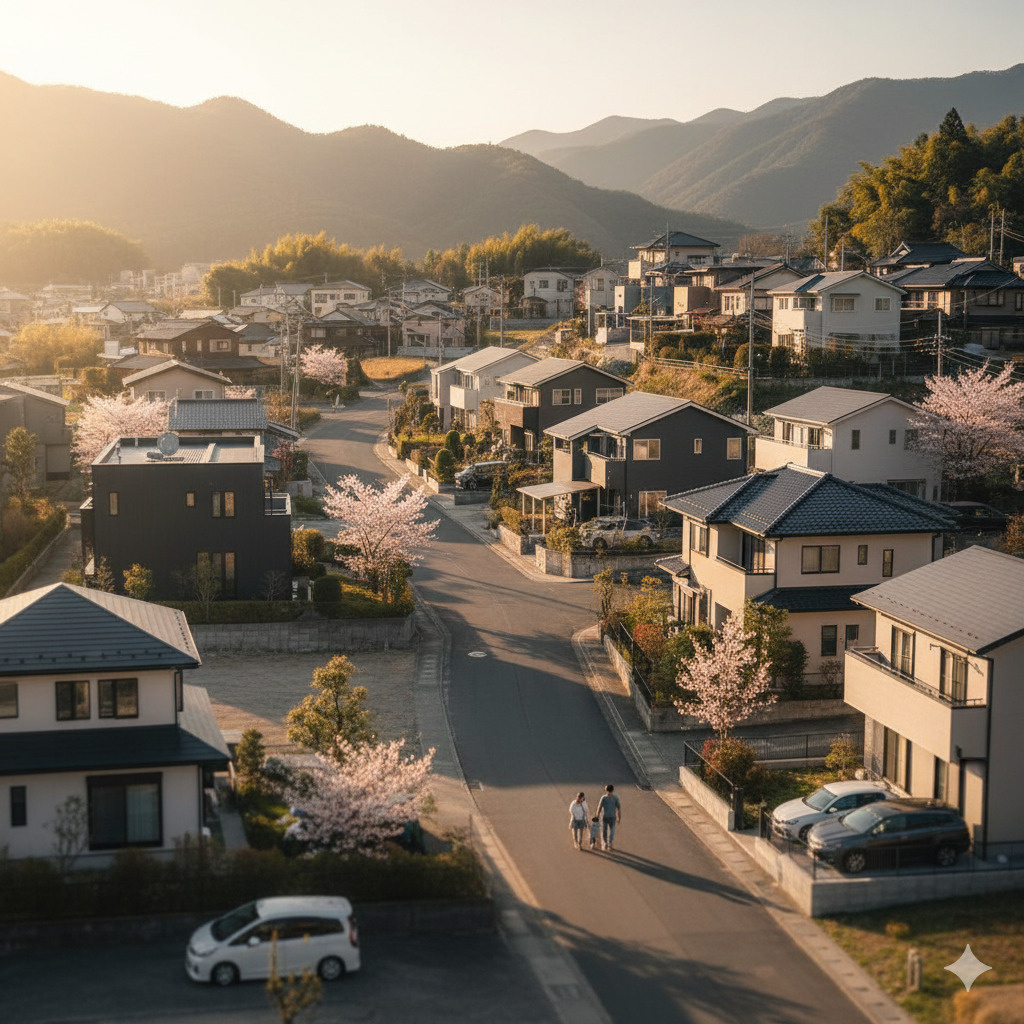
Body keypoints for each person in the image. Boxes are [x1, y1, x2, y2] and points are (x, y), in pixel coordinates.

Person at [597, 784, 621, 851]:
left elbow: (599, 807)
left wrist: (597, 815)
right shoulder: (613, 798)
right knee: (608, 831)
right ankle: (607, 843)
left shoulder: (605, 798)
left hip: (608, 817)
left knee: (608, 831)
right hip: (608, 817)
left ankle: (607, 843)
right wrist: (619, 817)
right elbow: (618, 808)